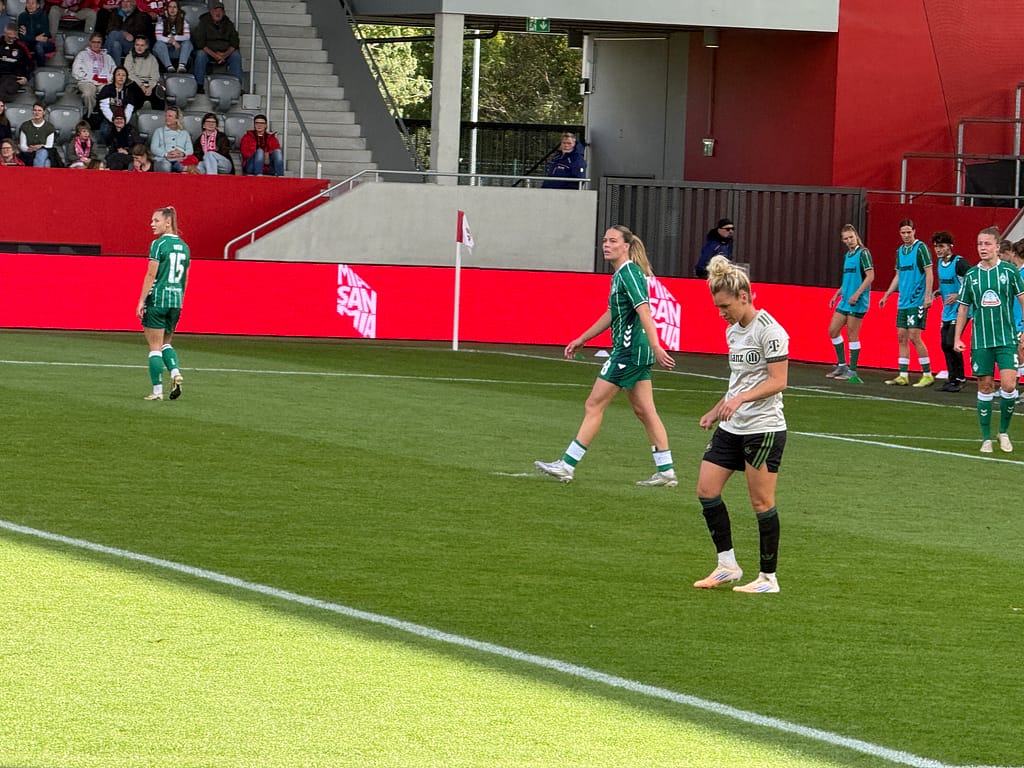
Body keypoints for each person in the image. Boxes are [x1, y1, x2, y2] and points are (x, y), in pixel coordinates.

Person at [534, 225, 677, 486]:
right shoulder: (620, 276)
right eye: (604, 240)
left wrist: (657, 346)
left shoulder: (630, 273)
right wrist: (583, 338)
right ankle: (666, 470)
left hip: (629, 351)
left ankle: (567, 465)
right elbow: (612, 314)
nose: (606, 245)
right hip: (635, 352)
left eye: (613, 241)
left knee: (593, 405)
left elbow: (644, 310)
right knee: (645, 410)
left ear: (626, 246)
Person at [693, 255, 788, 594]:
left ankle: (768, 578)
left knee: (761, 502)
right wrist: (718, 408)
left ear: (744, 296)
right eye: (718, 306)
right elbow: (739, 381)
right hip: (733, 426)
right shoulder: (732, 331)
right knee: (706, 490)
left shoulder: (771, 332)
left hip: (763, 428)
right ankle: (727, 565)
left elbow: (779, 381)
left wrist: (740, 400)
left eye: (725, 305)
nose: (721, 312)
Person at [954, 227, 1024, 453]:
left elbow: (1023, 300)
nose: (982, 248)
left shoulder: (1010, 272)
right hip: (981, 340)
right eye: (979, 244)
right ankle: (985, 437)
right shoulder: (972, 276)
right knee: (985, 387)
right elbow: (964, 308)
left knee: (1009, 384)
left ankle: (1003, 432)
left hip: (1006, 338)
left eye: (986, 244)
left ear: (997, 246)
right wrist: (958, 337)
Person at [136, 205, 190, 401]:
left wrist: (142, 300)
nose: (152, 224)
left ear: (168, 222)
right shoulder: (185, 247)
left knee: (154, 346)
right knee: (166, 343)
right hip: (176, 301)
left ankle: (157, 391)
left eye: (156, 220)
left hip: (158, 299)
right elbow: (185, 278)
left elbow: (151, 274)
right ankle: (175, 372)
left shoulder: (158, 245)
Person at [878, 219, 935, 387]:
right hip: (903, 301)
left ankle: (927, 373)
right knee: (901, 336)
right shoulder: (900, 251)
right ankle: (903, 375)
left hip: (916, 300)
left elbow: (929, 272)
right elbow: (898, 275)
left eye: (909, 232)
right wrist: (887, 294)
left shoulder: (921, 248)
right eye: (903, 232)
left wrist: (927, 295)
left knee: (914, 336)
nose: (906, 235)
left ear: (914, 231)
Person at [825, 224, 873, 383]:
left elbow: (870, 276)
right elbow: (847, 280)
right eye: (846, 239)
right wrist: (837, 294)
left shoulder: (863, 253)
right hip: (845, 300)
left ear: (856, 236)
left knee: (852, 334)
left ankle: (852, 371)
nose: (849, 240)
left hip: (858, 301)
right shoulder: (848, 255)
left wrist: (857, 293)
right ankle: (842, 364)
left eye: (851, 237)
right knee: (833, 330)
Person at [932, 231, 970, 392]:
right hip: (947, 310)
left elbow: (971, 283)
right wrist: (939, 291)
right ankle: (952, 378)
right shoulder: (940, 263)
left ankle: (960, 377)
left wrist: (958, 295)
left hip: (962, 310)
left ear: (950, 246)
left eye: (941, 246)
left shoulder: (960, 263)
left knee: (950, 342)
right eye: (935, 247)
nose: (938, 250)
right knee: (945, 344)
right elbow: (948, 283)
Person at [191, 0, 241, 94]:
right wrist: (215, 55)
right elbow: (200, 44)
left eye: (220, 11)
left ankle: (237, 85)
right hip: (208, 52)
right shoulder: (203, 22)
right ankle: (199, 85)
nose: (217, 13)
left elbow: (235, 43)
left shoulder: (228, 24)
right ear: (210, 11)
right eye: (215, 10)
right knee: (200, 55)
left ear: (224, 12)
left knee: (236, 55)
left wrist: (224, 55)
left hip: (224, 52)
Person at [72, 33, 116, 116]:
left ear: (101, 43)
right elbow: (75, 71)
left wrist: (109, 79)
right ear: (90, 42)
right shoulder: (82, 54)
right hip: (87, 81)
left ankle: (105, 115)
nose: (96, 44)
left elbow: (114, 71)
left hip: (104, 81)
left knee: (110, 92)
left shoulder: (108, 57)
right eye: (94, 42)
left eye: (98, 42)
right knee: (88, 93)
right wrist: (91, 78)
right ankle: (90, 114)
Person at [97, 66, 140, 141]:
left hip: (123, 119)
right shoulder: (107, 89)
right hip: (109, 119)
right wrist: (114, 120)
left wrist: (123, 121)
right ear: (114, 76)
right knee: (105, 132)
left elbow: (130, 108)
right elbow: (104, 107)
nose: (121, 77)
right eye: (118, 75)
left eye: (123, 75)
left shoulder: (128, 91)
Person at [104, 0, 151, 65]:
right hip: (117, 41)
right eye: (123, 1)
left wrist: (124, 33)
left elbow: (138, 32)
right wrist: (123, 33)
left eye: (128, 1)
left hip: (132, 44)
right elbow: (109, 29)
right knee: (115, 44)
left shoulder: (140, 15)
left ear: (133, 3)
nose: (125, 4)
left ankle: (103, 57)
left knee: (113, 34)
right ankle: (117, 69)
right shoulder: (115, 13)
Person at [124, 35, 164, 110]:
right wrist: (141, 85)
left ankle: (158, 118)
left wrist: (150, 87)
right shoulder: (129, 57)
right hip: (135, 83)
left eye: (142, 45)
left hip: (149, 84)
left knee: (159, 95)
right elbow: (129, 73)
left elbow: (155, 75)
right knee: (133, 92)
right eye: (137, 45)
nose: (139, 47)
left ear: (147, 46)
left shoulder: (152, 58)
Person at [150, 104, 193, 171]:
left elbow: (190, 150)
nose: (167, 118)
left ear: (177, 119)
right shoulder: (158, 131)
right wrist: (166, 154)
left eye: (170, 116)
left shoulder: (185, 133)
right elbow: (154, 148)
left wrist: (182, 153)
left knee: (183, 167)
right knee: (166, 166)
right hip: (163, 159)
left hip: (179, 158)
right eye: (166, 116)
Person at [152, 0, 190, 73]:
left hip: (177, 49)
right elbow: (158, 37)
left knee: (187, 43)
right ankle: (169, 66)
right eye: (170, 7)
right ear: (167, 9)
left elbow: (187, 36)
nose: (172, 9)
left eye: (175, 7)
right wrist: (172, 41)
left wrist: (175, 38)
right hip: (164, 50)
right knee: (159, 44)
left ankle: (181, 66)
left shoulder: (184, 21)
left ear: (178, 9)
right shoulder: (161, 20)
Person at [17, 0, 55, 69]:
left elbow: (44, 35)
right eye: (28, 3)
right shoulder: (22, 16)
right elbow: (21, 36)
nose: (30, 5)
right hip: (29, 43)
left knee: (39, 46)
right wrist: (35, 38)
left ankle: (41, 69)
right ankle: (26, 69)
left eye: (33, 3)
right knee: (21, 45)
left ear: (38, 5)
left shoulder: (43, 15)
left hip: (44, 43)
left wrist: (27, 34)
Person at [0, 21, 32, 103]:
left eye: (13, 37)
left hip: (13, 77)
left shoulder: (21, 46)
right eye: (9, 36)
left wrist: (26, 77)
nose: (11, 39)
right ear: (5, 33)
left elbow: (30, 63)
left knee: (3, 89)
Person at [17, 100, 54, 166]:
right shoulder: (25, 126)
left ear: (44, 112)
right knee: (47, 163)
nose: (37, 112)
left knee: (42, 152)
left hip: (44, 153)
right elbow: (22, 145)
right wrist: (30, 149)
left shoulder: (49, 127)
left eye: (39, 110)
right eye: (35, 110)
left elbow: (49, 146)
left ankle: (36, 174)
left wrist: (40, 147)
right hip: (28, 153)